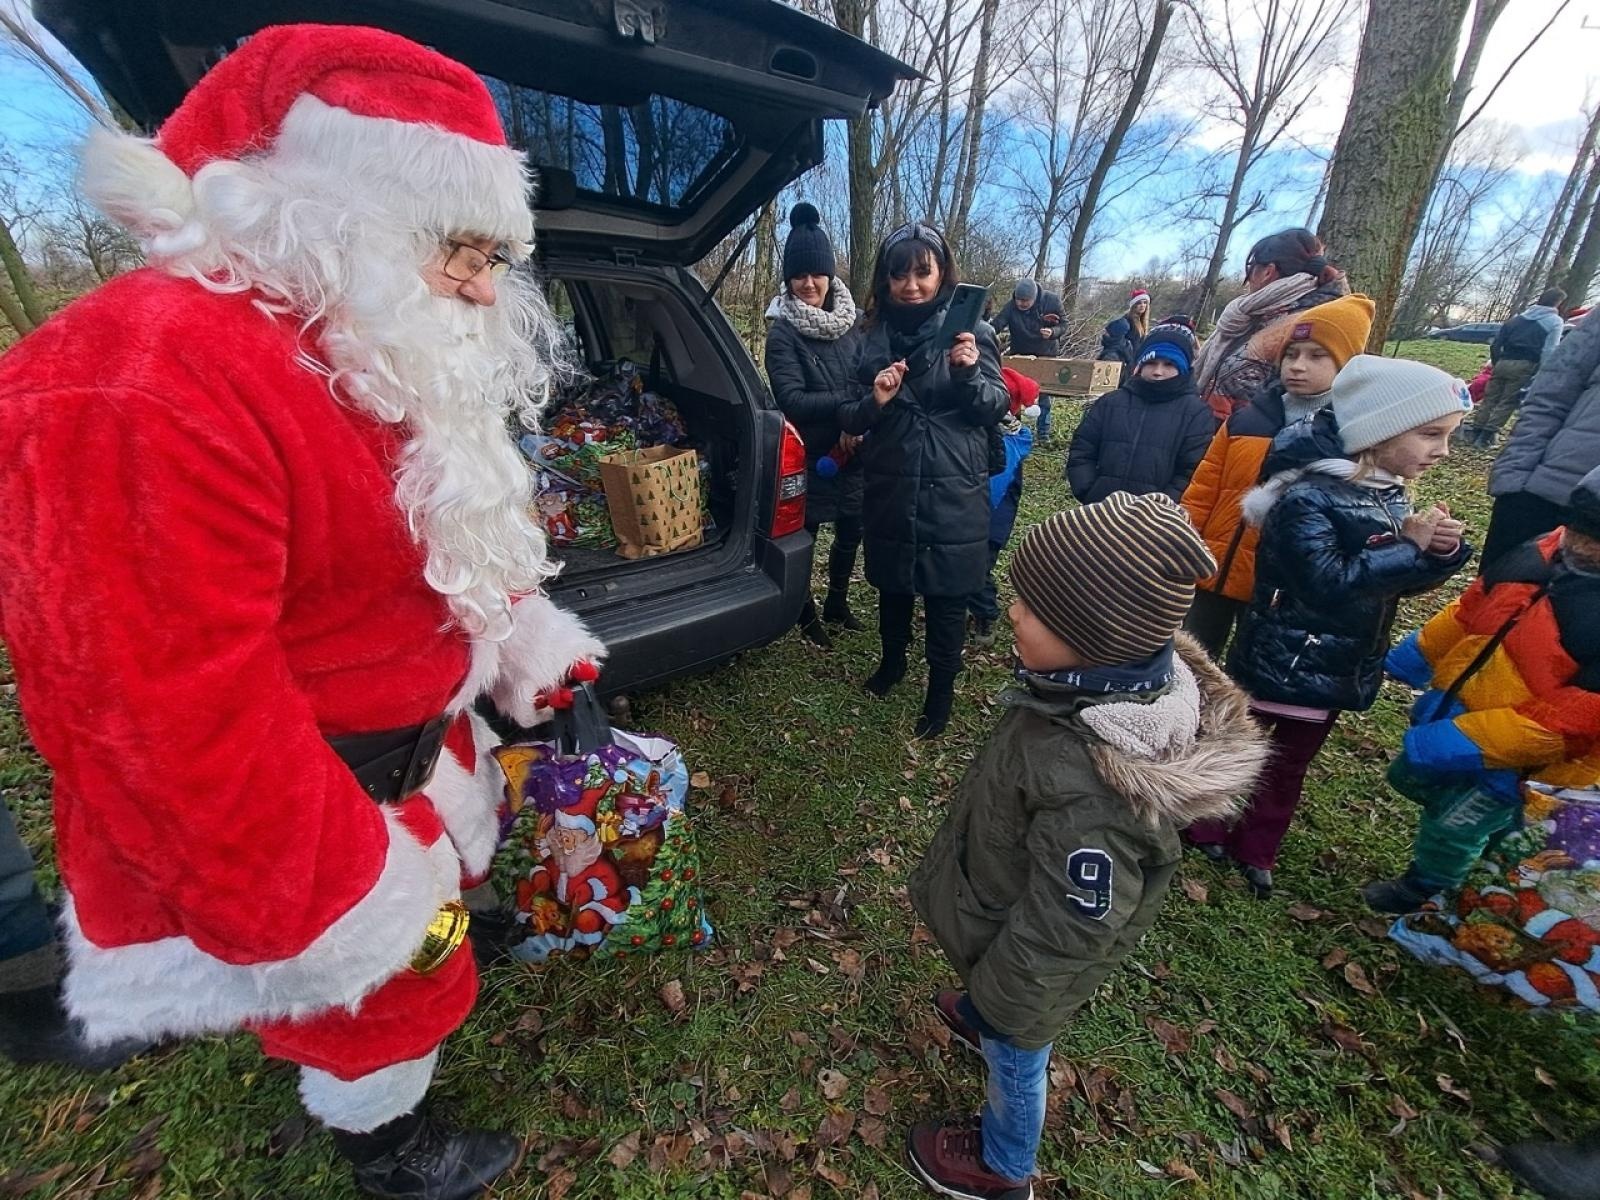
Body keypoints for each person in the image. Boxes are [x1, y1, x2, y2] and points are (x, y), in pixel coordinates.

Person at [0, 26, 608, 1199]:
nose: (488, 288)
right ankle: (383, 1138)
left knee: (427, 944)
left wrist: (520, 636)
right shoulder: (149, 375)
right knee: (367, 993)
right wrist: (341, 900)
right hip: (320, 815)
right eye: (460, 250)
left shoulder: (362, 346)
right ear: (332, 212)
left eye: (495, 254)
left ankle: (423, 971)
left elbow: (443, 532)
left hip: (421, 760)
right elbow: (163, 722)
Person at [904, 494, 1267, 1200]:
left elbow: (1068, 929)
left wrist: (1008, 1001)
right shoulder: (1079, 693)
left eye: (1035, 611)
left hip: (1028, 966)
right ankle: (987, 1012)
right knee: (1004, 1012)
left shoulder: (1093, 792)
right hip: (1007, 905)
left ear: (1096, 638)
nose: (1013, 612)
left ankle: (1003, 1168)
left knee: (1018, 1057)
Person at [1186, 357, 1475, 898]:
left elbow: (1388, 585)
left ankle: (1257, 847)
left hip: (1338, 665)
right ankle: (1205, 821)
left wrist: (1440, 555)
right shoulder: (1307, 497)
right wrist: (1406, 547)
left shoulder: (1389, 494)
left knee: (1292, 763)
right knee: (1238, 743)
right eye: (1431, 434)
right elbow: (1325, 580)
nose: (1442, 450)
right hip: (1281, 656)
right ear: (1379, 429)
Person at [1363, 469, 1600, 913]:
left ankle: (1427, 890)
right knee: (1415, 781)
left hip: (1521, 762)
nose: (1582, 546)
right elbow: (1471, 610)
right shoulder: (1539, 555)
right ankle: (1506, 840)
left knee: (1454, 824)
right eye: (1580, 531)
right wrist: (1421, 653)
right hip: (1462, 708)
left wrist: (1465, 740)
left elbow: (1571, 722)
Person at [840, 221, 1009, 740]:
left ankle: (940, 690)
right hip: (892, 480)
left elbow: (996, 406)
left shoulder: (973, 333)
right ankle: (892, 665)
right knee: (893, 583)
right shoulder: (868, 338)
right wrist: (877, 399)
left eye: (922, 272)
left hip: (953, 484)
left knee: (947, 595)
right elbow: (849, 416)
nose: (910, 285)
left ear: (942, 274)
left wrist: (968, 373)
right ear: (884, 279)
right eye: (899, 274)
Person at [1181, 294, 1377, 657]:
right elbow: (1204, 485)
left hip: (1279, 583)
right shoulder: (1249, 419)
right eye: (1292, 353)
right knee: (1191, 657)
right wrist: (1186, 538)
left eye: (1316, 356)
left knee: (1254, 667)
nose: (1298, 366)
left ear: (1348, 364)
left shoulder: (1351, 434)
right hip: (1214, 568)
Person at [764, 202, 865, 646]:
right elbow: (793, 400)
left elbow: (867, 373)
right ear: (788, 279)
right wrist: (854, 407)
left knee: (851, 532)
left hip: (855, 449)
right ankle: (804, 613)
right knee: (807, 538)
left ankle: (838, 602)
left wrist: (864, 419)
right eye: (799, 275)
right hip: (810, 455)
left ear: (830, 275)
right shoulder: (782, 332)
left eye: (816, 274)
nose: (808, 284)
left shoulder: (853, 323)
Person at [1481, 309, 1600, 572]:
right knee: (1493, 604)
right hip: (1546, 495)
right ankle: (1482, 431)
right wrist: (1515, 479)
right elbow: (1551, 392)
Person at [1191, 228, 1351, 422]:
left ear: (1268, 271)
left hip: (1252, 442)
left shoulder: (1307, 325)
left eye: (1251, 267)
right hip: (1219, 436)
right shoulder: (1257, 315)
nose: (1248, 278)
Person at [1066, 321, 1213, 505]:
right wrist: (1089, 491)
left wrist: (1162, 508)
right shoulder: (1111, 403)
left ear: (1182, 368)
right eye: (1151, 363)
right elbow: (1082, 449)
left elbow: (1192, 470)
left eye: (1169, 364)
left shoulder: (1196, 414)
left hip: (1156, 520)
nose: (1158, 372)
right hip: (1101, 511)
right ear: (1140, 365)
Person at [968, 368, 1039, 648]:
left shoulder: (1009, 441)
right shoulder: (981, 432)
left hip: (990, 517)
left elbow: (996, 487)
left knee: (978, 570)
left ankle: (986, 615)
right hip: (972, 512)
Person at [1462, 288, 1567, 449]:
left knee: (1490, 398)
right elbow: (1549, 349)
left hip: (1503, 362)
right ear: (1558, 303)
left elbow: (1496, 343)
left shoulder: (1516, 320)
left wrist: (1497, 362)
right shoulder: (1554, 321)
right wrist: (1544, 371)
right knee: (1508, 401)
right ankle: (1486, 437)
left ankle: (1476, 430)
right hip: (1526, 364)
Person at [992, 279, 1064, 441]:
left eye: (1025, 301)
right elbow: (998, 323)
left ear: (1035, 297)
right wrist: (984, 331)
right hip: (1021, 353)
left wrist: (1053, 332)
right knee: (1015, 391)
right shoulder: (1011, 307)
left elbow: (1064, 324)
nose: (1021, 304)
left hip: (1045, 353)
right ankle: (1014, 427)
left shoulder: (1051, 301)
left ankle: (1043, 434)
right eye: (1018, 300)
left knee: (1043, 393)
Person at [1098, 288, 1151, 383]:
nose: (1142, 305)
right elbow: (1115, 342)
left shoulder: (1142, 323)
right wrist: (1129, 357)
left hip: (1134, 364)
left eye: (1145, 302)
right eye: (1139, 303)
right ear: (1133, 305)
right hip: (1123, 363)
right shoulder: (1125, 322)